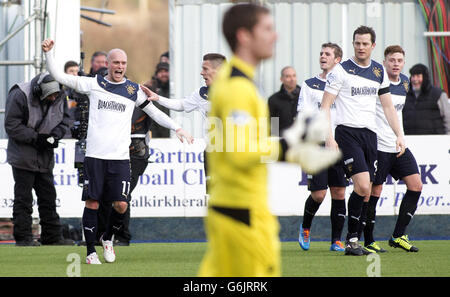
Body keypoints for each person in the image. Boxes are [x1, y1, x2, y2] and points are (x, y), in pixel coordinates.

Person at [198, 3, 341, 276]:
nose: (275, 36)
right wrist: (291, 145)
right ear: (244, 36)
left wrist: (290, 150)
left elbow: (244, 146)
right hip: (241, 213)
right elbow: (240, 152)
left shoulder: (240, 82)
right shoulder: (238, 87)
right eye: (267, 29)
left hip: (235, 210)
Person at [42, 38, 194, 264]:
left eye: (123, 63)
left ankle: (108, 238)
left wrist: (177, 127)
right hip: (95, 156)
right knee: (92, 203)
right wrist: (49, 53)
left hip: (121, 159)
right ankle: (91, 251)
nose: (120, 67)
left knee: (121, 204)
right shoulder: (93, 84)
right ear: (108, 64)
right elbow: (61, 77)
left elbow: (153, 112)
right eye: (116, 63)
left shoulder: (133, 89)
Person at [320, 25, 406, 256]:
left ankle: (354, 240)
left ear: (373, 46)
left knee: (366, 191)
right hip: (347, 134)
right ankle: (351, 240)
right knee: (363, 185)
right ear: (353, 44)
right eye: (357, 43)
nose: (360, 47)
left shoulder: (379, 71)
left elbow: (388, 107)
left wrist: (399, 134)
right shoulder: (341, 70)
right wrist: (329, 136)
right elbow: (325, 106)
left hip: (370, 136)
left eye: (365, 43)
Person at [359, 45, 422, 253]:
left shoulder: (405, 82)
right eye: (392, 60)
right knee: (373, 192)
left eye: (399, 60)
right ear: (384, 62)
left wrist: (400, 136)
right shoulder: (376, 82)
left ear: (403, 63)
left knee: (416, 185)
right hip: (378, 146)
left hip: (398, 145)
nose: (396, 64)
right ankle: (368, 240)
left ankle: (398, 235)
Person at [4, 72, 75, 246]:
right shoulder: (19, 94)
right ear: (38, 91)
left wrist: (55, 136)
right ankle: (23, 238)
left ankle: (52, 237)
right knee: (23, 199)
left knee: (48, 197)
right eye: (49, 95)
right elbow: (11, 125)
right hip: (22, 155)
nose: (53, 98)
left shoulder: (59, 95)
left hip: (45, 154)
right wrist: (37, 138)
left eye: (55, 95)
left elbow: (65, 120)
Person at [141, 53, 226, 183]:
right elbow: (181, 104)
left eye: (205, 69)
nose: (201, 73)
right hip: (212, 153)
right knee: (213, 196)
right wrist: (158, 98)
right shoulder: (202, 93)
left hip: (233, 152)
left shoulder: (237, 91)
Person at [297, 43, 348, 252]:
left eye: (327, 54)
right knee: (319, 194)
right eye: (321, 53)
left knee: (339, 191)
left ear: (337, 60)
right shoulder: (309, 84)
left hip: (340, 143)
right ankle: (305, 227)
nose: (322, 56)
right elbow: (303, 115)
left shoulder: (344, 85)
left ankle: (336, 240)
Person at [402, 63, 450, 135]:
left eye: (418, 76)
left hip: (435, 140)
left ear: (425, 77)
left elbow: (448, 118)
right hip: (410, 140)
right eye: (413, 76)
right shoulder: (405, 95)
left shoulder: (438, 94)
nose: (415, 79)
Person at [268, 66, 301, 136]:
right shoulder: (273, 100)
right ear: (281, 79)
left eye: (294, 76)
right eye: (288, 76)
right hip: (282, 142)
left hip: (303, 143)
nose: (292, 79)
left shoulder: (305, 96)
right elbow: (274, 128)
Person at [144, 62, 171, 138]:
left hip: (171, 129)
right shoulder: (150, 88)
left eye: (166, 71)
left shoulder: (174, 88)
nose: (164, 74)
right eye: (161, 72)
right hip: (154, 129)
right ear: (156, 74)